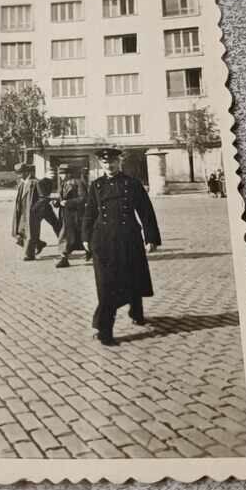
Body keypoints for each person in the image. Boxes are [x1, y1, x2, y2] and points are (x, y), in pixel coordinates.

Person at [82, 148, 161, 347]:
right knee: (107, 286)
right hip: (103, 241)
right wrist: (85, 237)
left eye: (113, 162)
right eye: (105, 163)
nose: (109, 165)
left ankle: (136, 311)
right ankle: (104, 329)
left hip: (129, 239)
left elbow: (146, 211)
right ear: (101, 164)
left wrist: (151, 237)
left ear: (119, 162)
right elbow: (89, 213)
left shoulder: (132, 184)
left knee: (133, 277)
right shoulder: (96, 185)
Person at [55, 164, 89, 268]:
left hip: (76, 215)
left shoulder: (78, 183)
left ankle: (64, 258)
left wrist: (68, 202)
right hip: (66, 214)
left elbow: (84, 198)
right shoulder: (63, 184)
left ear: (69, 173)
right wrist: (57, 203)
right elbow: (61, 198)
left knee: (68, 236)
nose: (61, 175)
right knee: (69, 236)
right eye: (60, 173)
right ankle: (65, 257)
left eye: (63, 173)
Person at [24, 175, 61, 261]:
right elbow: (43, 197)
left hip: (42, 208)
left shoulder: (40, 182)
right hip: (40, 208)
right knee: (34, 229)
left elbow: (43, 197)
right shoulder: (38, 182)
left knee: (54, 225)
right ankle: (35, 248)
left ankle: (64, 244)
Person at [11, 163, 37, 249]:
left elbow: (42, 198)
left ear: (26, 172)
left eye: (20, 173)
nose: (18, 176)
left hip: (30, 212)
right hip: (22, 211)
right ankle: (38, 244)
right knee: (20, 230)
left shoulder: (35, 182)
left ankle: (29, 253)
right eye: (17, 173)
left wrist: (34, 209)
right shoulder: (22, 184)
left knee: (29, 231)